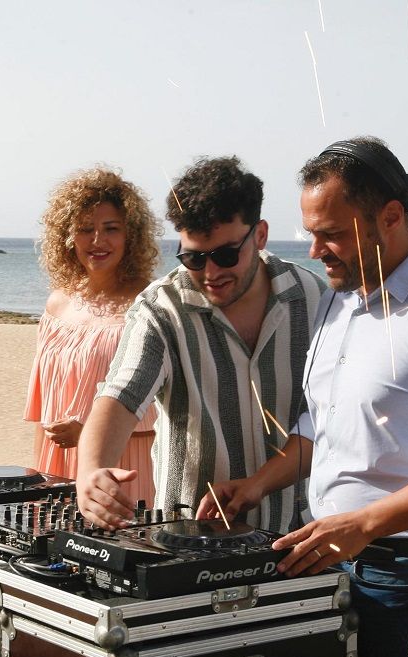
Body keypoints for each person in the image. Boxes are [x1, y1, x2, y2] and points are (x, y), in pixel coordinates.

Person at [199, 137, 408, 657]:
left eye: (332, 234)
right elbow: (323, 424)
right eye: (310, 233)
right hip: (329, 568)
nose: (315, 250)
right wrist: (256, 486)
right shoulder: (339, 300)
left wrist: (361, 526)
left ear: (391, 217)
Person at [76, 156, 326, 534]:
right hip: (190, 539)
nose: (211, 273)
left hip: (297, 534)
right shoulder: (161, 309)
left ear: (260, 235)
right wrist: (91, 472)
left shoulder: (313, 297)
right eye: (193, 257)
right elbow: (120, 395)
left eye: (226, 255)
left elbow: (327, 417)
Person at [24, 168, 159, 499]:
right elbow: (44, 413)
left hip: (125, 466)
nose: (97, 241)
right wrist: (37, 479)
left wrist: (90, 435)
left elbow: (166, 418)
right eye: (85, 229)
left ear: (131, 235)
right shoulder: (57, 304)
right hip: (57, 467)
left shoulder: (150, 303)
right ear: (68, 236)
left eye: (111, 229)